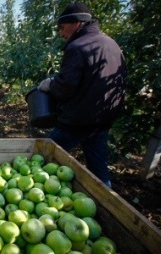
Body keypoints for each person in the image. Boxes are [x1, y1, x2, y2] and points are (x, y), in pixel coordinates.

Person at [37, 2, 127, 187]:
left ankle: (34, 188)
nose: (61, 34)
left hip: (78, 120)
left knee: (41, 158)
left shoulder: (78, 46)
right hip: (102, 120)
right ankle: (107, 204)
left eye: (62, 28)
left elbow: (65, 87)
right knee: (98, 168)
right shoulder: (112, 44)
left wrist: (50, 84)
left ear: (77, 23)